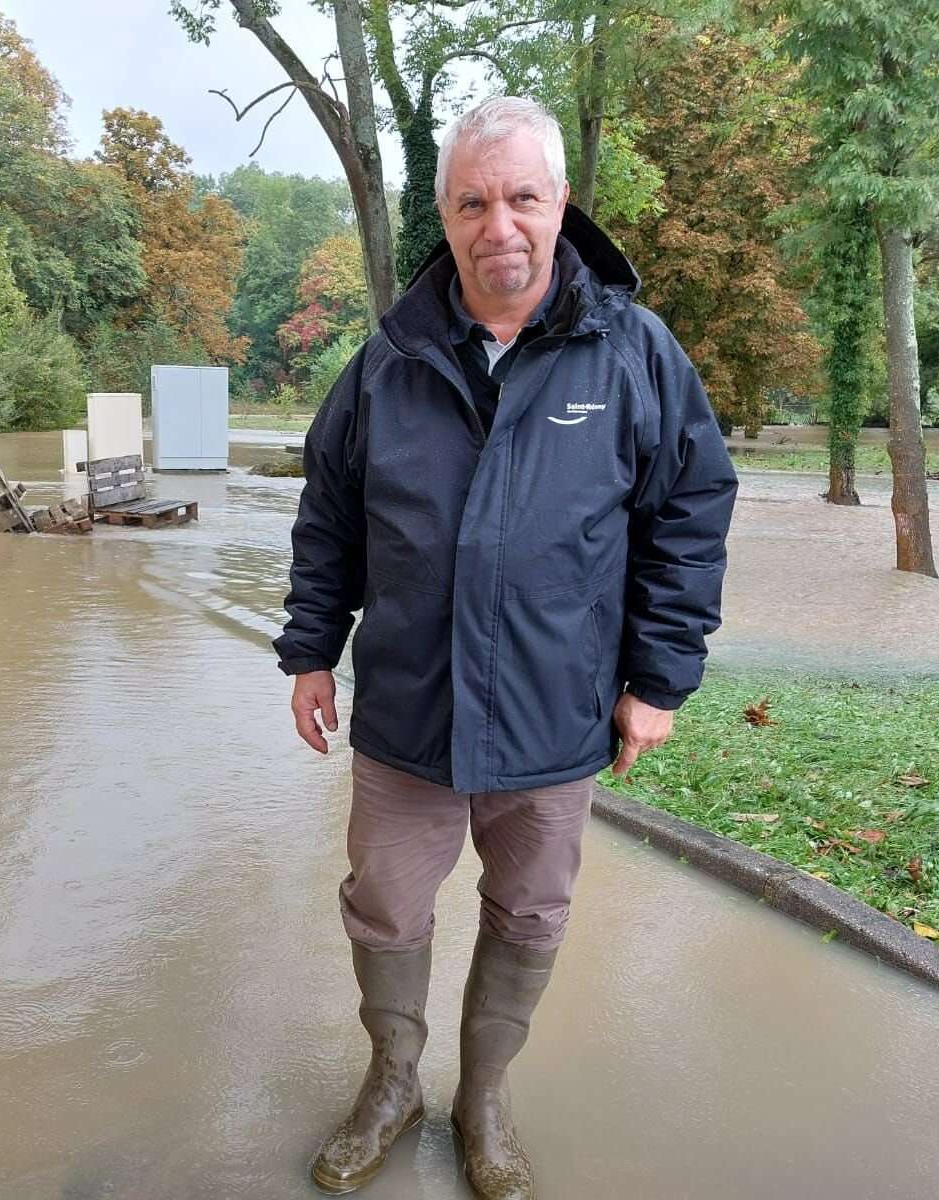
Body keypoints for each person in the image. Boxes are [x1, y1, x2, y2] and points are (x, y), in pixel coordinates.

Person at [271, 96, 739, 1199]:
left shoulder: (632, 349)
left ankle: (484, 1096)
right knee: (383, 903)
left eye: (522, 198)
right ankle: (393, 1081)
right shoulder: (390, 357)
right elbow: (330, 511)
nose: (501, 226)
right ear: (446, 214)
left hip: (553, 714)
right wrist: (306, 650)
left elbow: (691, 509)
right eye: (474, 202)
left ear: (559, 204)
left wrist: (658, 679)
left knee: (530, 911)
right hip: (408, 715)